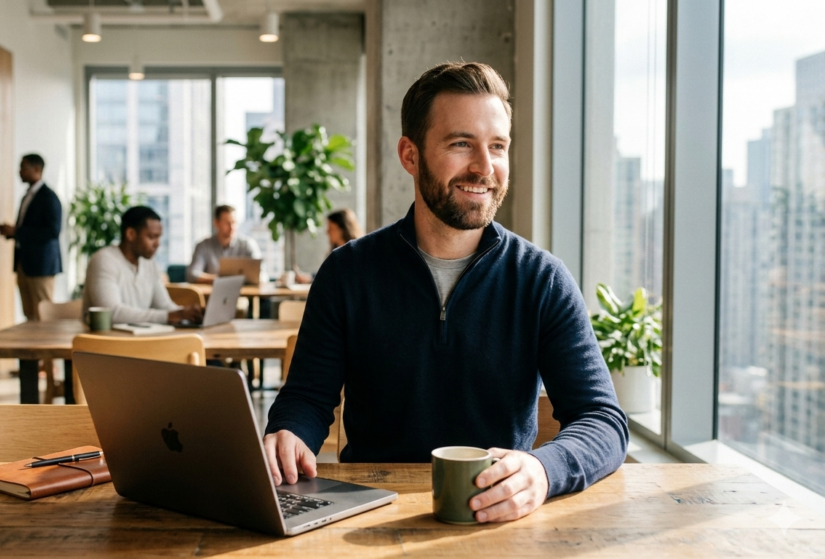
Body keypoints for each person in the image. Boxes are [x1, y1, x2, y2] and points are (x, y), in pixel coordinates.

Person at [263, 62, 628, 524]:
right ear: (410, 155)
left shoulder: (542, 279)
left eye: (497, 146)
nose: (484, 166)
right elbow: (307, 400)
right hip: (367, 518)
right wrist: (288, 434)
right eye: (461, 144)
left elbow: (603, 421)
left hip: (497, 520)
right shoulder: (347, 273)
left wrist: (542, 469)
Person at [83, 206, 203, 325]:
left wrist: (188, 314)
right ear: (130, 234)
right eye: (151, 237)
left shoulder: (149, 263)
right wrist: (168, 316)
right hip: (106, 341)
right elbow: (112, 313)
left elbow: (164, 306)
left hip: (138, 339)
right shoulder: (103, 260)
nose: (157, 244)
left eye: (159, 237)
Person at [0, 154, 62, 321]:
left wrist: (17, 232)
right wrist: (12, 232)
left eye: (24, 167)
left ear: (37, 169)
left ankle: (46, 346)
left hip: (41, 264)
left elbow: (53, 231)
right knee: (29, 314)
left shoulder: (48, 197)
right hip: (24, 262)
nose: (20, 171)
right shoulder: (28, 196)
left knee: (43, 313)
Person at [187, 205, 262, 284]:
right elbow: (192, 275)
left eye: (234, 222)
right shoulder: (203, 246)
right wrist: (220, 279)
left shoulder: (248, 244)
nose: (232, 227)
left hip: (243, 294)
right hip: (211, 295)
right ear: (216, 223)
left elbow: (261, 274)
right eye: (227, 223)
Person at [294, 208, 363, 284]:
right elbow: (330, 275)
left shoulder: (356, 254)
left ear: (342, 229)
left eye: (331, 228)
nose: (327, 231)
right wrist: (310, 277)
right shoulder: (335, 252)